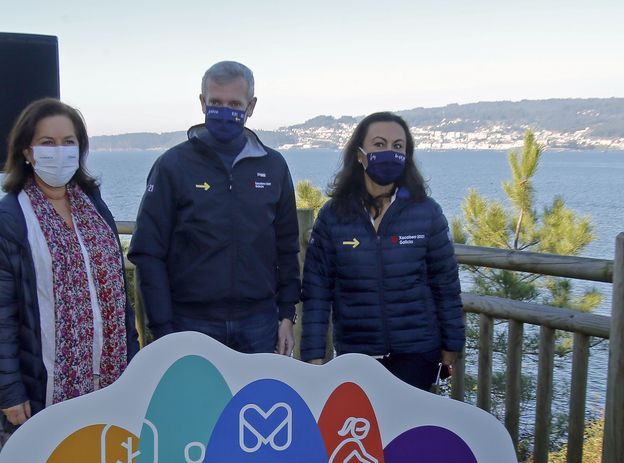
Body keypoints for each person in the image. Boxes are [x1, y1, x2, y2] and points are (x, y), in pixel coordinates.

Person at [0, 98, 139, 459]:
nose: (60, 151)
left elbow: (116, 295)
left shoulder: (94, 208)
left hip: (108, 381)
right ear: (26, 151)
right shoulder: (7, 222)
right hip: (41, 388)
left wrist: (134, 365)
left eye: (69, 142)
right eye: (47, 143)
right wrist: (9, 391)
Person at [128, 60, 300, 355]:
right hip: (190, 323)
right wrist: (164, 328)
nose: (224, 111)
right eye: (216, 102)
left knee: (255, 402)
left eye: (234, 103)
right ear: (202, 103)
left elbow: (287, 246)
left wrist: (286, 314)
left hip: (259, 322)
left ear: (251, 106)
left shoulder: (273, 166)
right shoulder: (173, 165)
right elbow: (148, 251)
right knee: (194, 402)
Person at [300, 111, 465, 390]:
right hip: (357, 356)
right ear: (360, 154)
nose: (389, 152)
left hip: (418, 355)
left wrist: (452, 345)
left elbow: (445, 284)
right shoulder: (334, 216)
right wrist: (313, 355)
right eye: (379, 144)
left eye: (398, 146)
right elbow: (317, 292)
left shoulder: (426, 212)